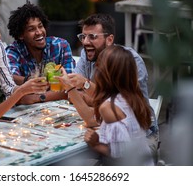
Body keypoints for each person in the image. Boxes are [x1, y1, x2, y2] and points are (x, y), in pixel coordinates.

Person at [63, 13, 159, 163]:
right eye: (83, 37)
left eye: (92, 37)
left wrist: (83, 86)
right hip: (107, 129)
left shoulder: (128, 61)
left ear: (109, 39)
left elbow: (118, 105)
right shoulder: (87, 54)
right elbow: (86, 96)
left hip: (142, 137)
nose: (86, 42)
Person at [83, 45, 154, 165]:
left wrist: (95, 144)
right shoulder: (133, 97)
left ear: (104, 74)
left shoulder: (109, 107)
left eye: (98, 67)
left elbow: (120, 153)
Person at [5, 0, 75, 104]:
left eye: (40, 26)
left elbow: (69, 87)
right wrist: (28, 80)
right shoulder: (14, 51)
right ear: (21, 35)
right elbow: (10, 79)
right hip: (27, 113)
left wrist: (38, 97)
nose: (39, 32)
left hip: (59, 107)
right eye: (31, 29)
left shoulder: (61, 46)